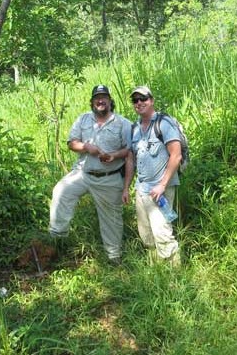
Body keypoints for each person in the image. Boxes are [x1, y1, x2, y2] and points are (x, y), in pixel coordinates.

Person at [49, 85, 134, 265]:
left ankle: (114, 258)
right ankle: (57, 238)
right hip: (83, 173)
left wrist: (114, 157)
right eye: (97, 98)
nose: (100, 100)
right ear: (92, 102)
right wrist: (86, 147)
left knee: (112, 220)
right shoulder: (83, 119)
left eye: (104, 97)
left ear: (110, 101)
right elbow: (71, 143)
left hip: (109, 178)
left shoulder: (123, 124)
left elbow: (129, 153)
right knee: (61, 191)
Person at [128, 86, 181, 266]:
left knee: (163, 234)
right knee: (147, 236)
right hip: (141, 190)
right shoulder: (134, 128)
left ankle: (176, 280)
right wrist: (126, 187)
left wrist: (162, 185)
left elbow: (176, 155)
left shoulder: (164, 123)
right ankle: (157, 272)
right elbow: (131, 160)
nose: (139, 103)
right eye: (135, 100)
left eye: (143, 99)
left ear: (151, 100)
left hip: (160, 191)